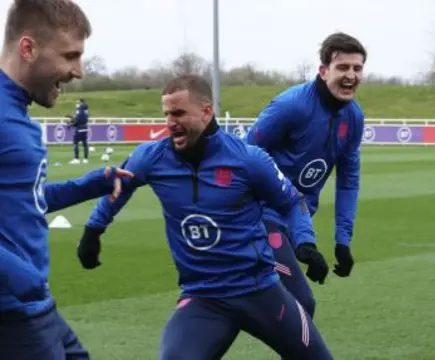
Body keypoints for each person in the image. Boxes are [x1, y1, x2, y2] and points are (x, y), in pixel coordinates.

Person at [77, 74, 334, 359]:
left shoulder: (249, 159)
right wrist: (94, 229)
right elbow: (120, 185)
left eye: (178, 113)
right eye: (166, 114)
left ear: (206, 111)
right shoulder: (152, 157)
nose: (170, 123)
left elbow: (292, 202)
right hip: (203, 297)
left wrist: (304, 242)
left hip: (261, 291)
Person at [0, 1, 132, 359]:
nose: (79, 71)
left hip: (33, 307)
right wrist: (23, 281)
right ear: (28, 48)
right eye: (70, 56)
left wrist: (90, 185)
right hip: (13, 315)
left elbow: (27, 201)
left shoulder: (16, 114)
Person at [243, 32, 366, 317]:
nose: (351, 75)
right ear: (323, 71)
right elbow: (245, 157)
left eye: (357, 68)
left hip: (295, 218)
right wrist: (304, 242)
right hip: (258, 218)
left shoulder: (354, 117)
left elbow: (348, 180)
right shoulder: (291, 106)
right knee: (300, 305)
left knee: (268, 308)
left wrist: (343, 241)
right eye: (342, 67)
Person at [69, 98, 89, 164]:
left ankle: (76, 159)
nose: (77, 104)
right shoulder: (86, 110)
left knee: (75, 143)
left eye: (78, 102)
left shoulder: (80, 110)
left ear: (81, 103)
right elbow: (80, 119)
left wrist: (71, 124)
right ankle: (85, 159)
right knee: (85, 143)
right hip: (85, 128)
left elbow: (77, 120)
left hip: (79, 129)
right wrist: (71, 118)